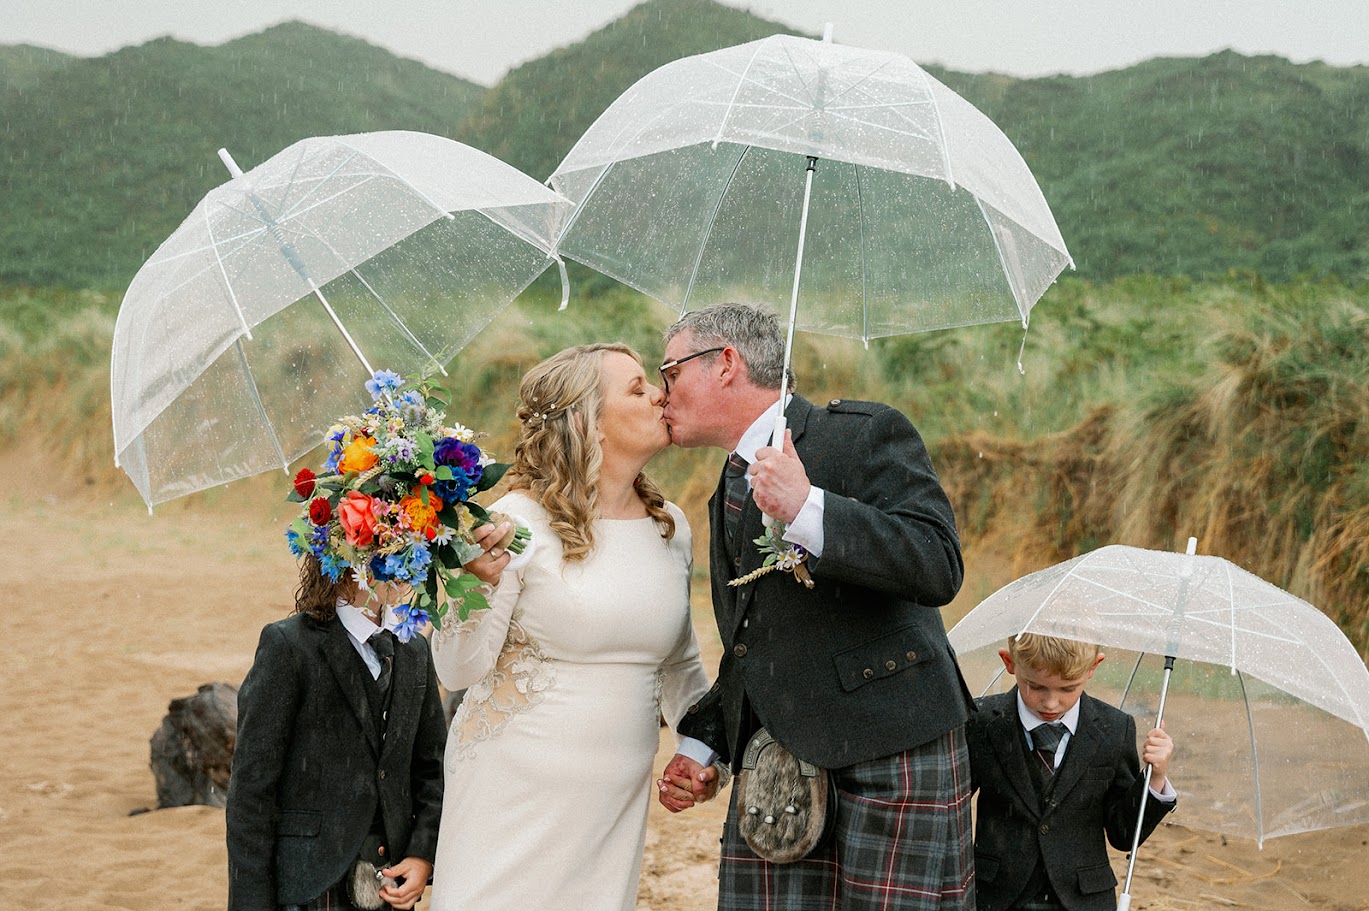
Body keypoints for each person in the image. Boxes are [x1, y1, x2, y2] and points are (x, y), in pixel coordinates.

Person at [655, 302, 976, 910]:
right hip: (781, 763)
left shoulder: (861, 434)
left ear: (726, 364)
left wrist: (809, 509)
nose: (661, 392)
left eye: (671, 371)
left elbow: (938, 564)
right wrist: (705, 744)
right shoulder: (730, 481)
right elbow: (755, 641)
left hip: (892, 745)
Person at [426, 343, 714, 911]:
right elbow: (456, 669)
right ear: (585, 420)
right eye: (636, 388)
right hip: (513, 788)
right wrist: (474, 586)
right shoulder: (516, 521)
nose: (660, 393)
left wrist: (705, 755)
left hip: (612, 801)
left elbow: (680, 665)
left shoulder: (671, 528)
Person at [226, 560, 474, 910]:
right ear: (349, 563)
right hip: (307, 885)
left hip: (388, 883)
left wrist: (422, 855)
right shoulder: (288, 645)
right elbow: (252, 787)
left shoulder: (414, 649)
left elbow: (432, 769)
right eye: (392, 551)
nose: (407, 565)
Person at [967, 633, 1177, 911]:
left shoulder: (1114, 729)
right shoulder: (979, 722)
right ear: (1009, 661)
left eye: (1067, 689)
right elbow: (949, 806)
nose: (1050, 703)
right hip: (995, 896)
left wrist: (1156, 778)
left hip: (1084, 898)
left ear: (1094, 666)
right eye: (1036, 686)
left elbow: (1124, 834)